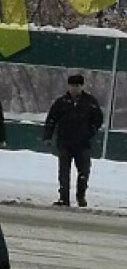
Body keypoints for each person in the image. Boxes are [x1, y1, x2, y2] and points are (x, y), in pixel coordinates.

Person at [43, 73, 104, 207]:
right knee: (64, 172)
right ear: (68, 86)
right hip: (65, 142)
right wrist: (48, 136)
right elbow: (51, 119)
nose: (74, 89)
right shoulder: (61, 102)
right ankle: (64, 197)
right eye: (72, 86)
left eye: (77, 86)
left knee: (84, 172)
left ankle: (81, 196)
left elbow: (98, 119)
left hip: (83, 143)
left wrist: (90, 131)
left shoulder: (90, 102)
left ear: (82, 86)